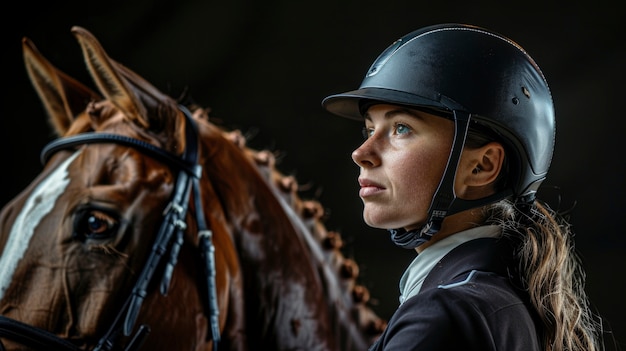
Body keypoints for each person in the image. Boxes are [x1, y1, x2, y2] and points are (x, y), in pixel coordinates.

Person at [322, 23, 608, 351]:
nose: (362, 153)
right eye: (369, 130)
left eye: (401, 128)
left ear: (482, 166)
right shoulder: (495, 300)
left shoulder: (447, 314)